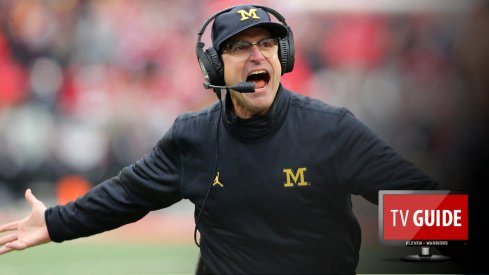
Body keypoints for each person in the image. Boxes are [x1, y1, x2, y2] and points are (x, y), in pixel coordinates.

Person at [0, 4, 439, 274]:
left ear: (282, 57)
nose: (257, 55)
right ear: (215, 68)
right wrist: (55, 223)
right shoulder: (192, 138)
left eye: (267, 44)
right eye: (239, 47)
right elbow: (126, 196)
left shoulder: (331, 130)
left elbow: (425, 206)